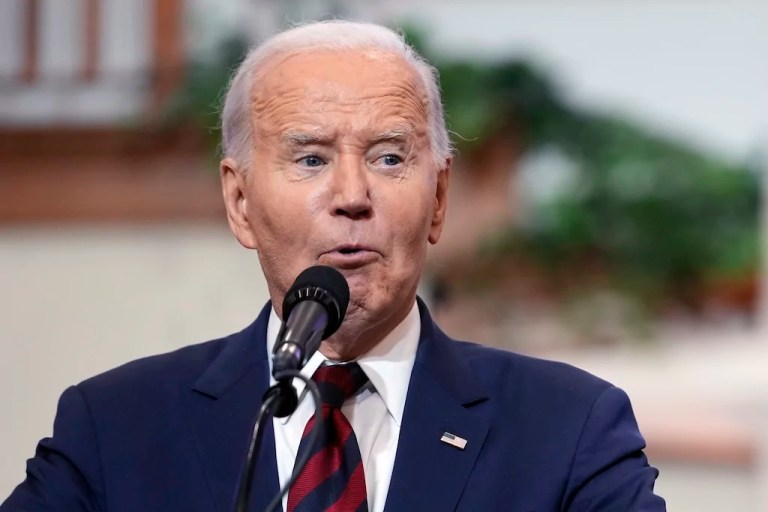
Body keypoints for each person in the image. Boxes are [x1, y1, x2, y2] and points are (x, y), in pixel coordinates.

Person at [1, 20, 665, 512]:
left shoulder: (570, 430)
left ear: (438, 199)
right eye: (312, 158)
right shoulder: (116, 427)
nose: (352, 196)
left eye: (388, 157)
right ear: (239, 202)